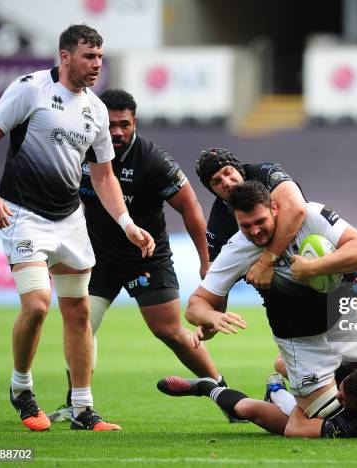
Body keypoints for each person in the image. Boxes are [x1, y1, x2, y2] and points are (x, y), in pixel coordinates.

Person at [0, 24, 155, 432]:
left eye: (101, 58)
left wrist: (126, 223)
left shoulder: (97, 110)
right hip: (23, 213)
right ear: (65, 56)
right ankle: (21, 388)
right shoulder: (30, 88)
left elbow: (104, 176)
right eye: (89, 57)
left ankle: (83, 410)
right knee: (36, 306)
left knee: (79, 311)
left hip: (69, 219)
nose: (97, 65)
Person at [47, 89, 231, 422]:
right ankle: (77, 403)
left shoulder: (153, 160)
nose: (117, 132)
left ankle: (221, 391)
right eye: (111, 124)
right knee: (81, 324)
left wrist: (206, 262)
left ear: (135, 123)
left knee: (170, 331)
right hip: (95, 258)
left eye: (124, 125)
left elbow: (190, 207)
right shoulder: (80, 148)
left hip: (146, 257)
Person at [178, 180, 357, 420]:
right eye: (245, 226)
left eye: (260, 221)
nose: (255, 231)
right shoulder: (237, 248)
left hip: (344, 315)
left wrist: (312, 268)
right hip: (301, 337)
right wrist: (212, 315)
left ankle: (294, 368)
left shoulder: (311, 215)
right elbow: (195, 304)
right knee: (330, 416)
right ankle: (277, 392)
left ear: (274, 208)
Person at [157, 351, 357, 439]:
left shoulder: (352, 426)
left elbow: (295, 428)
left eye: (343, 400)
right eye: (339, 392)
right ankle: (279, 386)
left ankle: (206, 387)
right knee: (281, 364)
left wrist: (301, 392)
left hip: (310, 419)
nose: (337, 397)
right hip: (352, 379)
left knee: (246, 411)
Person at [195, 148, 306, 291]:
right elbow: (211, 274)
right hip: (279, 287)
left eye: (228, 173)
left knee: (341, 307)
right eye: (216, 181)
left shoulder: (264, 172)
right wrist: (212, 312)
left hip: (309, 253)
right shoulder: (218, 220)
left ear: (238, 169)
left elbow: (296, 209)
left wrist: (266, 262)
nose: (227, 183)